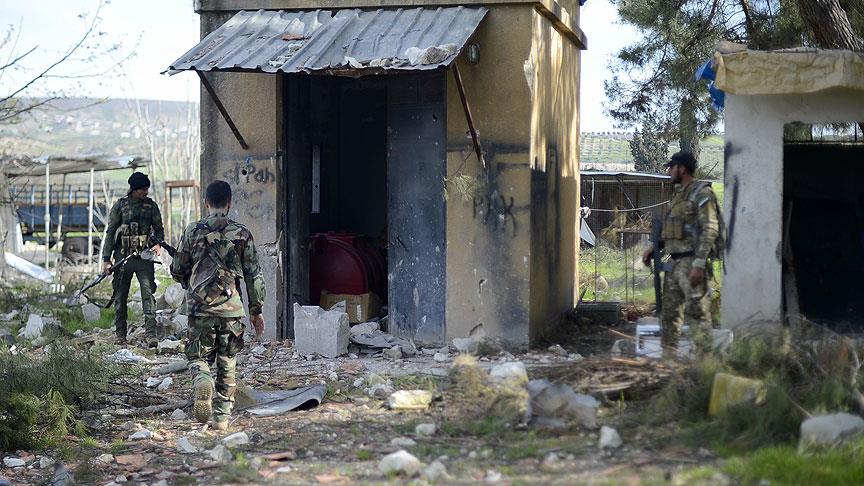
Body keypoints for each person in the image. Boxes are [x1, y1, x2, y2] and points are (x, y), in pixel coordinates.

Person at [170, 180, 265, 430]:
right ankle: (222, 417)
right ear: (230, 203)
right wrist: (256, 311)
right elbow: (254, 275)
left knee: (197, 356)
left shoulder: (192, 231)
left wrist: (188, 279)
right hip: (231, 309)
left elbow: (178, 269)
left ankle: (202, 379)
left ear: (206, 203)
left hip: (199, 308)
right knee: (228, 360)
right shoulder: (242, 233)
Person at [642, 151, 720, 358]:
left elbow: (710, 229)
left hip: (691, 261)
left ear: (681, 168)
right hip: (674, 263)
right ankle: (669, 364)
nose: (668, 171)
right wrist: (654, 248)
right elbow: (674, 229)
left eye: (671, 167)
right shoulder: (678, 196)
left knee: (697, 314)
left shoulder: (702, 194)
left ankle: (704, 365)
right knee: (669, 315)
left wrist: (699, 263)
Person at [102, 172, 164, 346]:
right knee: (120, 296)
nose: (145, 192)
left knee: (148, 295)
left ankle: (151, 334)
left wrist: (158, 245)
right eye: (142, 189)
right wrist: (107, 259)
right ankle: (120, 334)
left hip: (144, 257)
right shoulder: (120, 206)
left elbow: (159, 229)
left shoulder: (151, 207)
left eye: (147, 189)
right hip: (123, 257)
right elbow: (111, 232)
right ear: (134, 190)